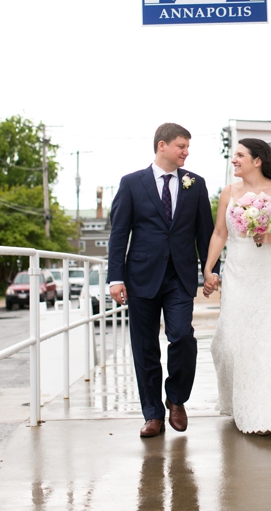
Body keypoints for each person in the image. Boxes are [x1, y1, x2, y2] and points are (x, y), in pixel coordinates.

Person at [108, 123, 214, 438]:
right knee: (144, 346)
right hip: (140, 277)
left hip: (180, 277)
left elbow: (205, 234)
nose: (186, 151)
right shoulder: (131, 184)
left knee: (182, 337)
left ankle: (177, 398)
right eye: (181, 146)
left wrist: (211, 270)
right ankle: (152, 414)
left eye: (188, 146)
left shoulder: (195, 184)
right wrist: (115, 278)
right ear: (162, 145)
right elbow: (118, 235)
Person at [202, 138, 271, 435]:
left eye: (240, 156)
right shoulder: (228, 193)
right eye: (234, 156)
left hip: (268, 274)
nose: (234, 160)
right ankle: (242, 402)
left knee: (270, 336)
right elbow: (220, 233)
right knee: (233, 338)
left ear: (257, 160)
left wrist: (265, 237)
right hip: (237, 274)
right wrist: (209, 268)